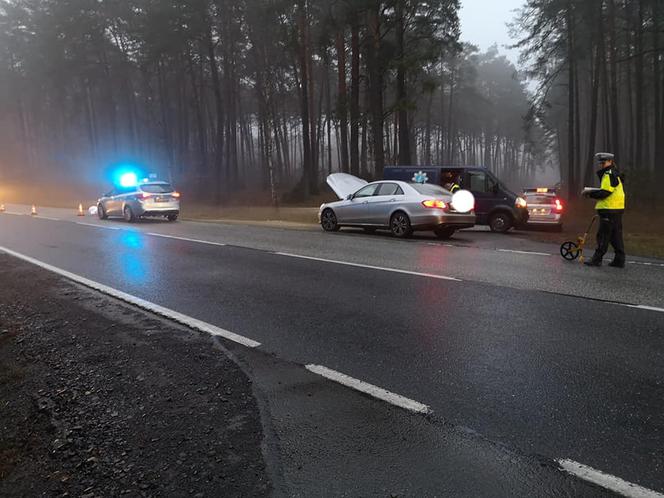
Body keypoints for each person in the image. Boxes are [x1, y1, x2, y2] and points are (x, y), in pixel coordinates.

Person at [583, 152, 626, 268]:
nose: (601, 165)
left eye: (604, 162)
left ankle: (597, 259)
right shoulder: (615, 173)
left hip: (609, 209)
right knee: (615, 235)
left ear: (610, 162)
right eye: (600, 163)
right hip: (617, 209)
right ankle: (619, 260)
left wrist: (589, 194)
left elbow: (605, 192)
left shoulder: (608, 174)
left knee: (603, 235)